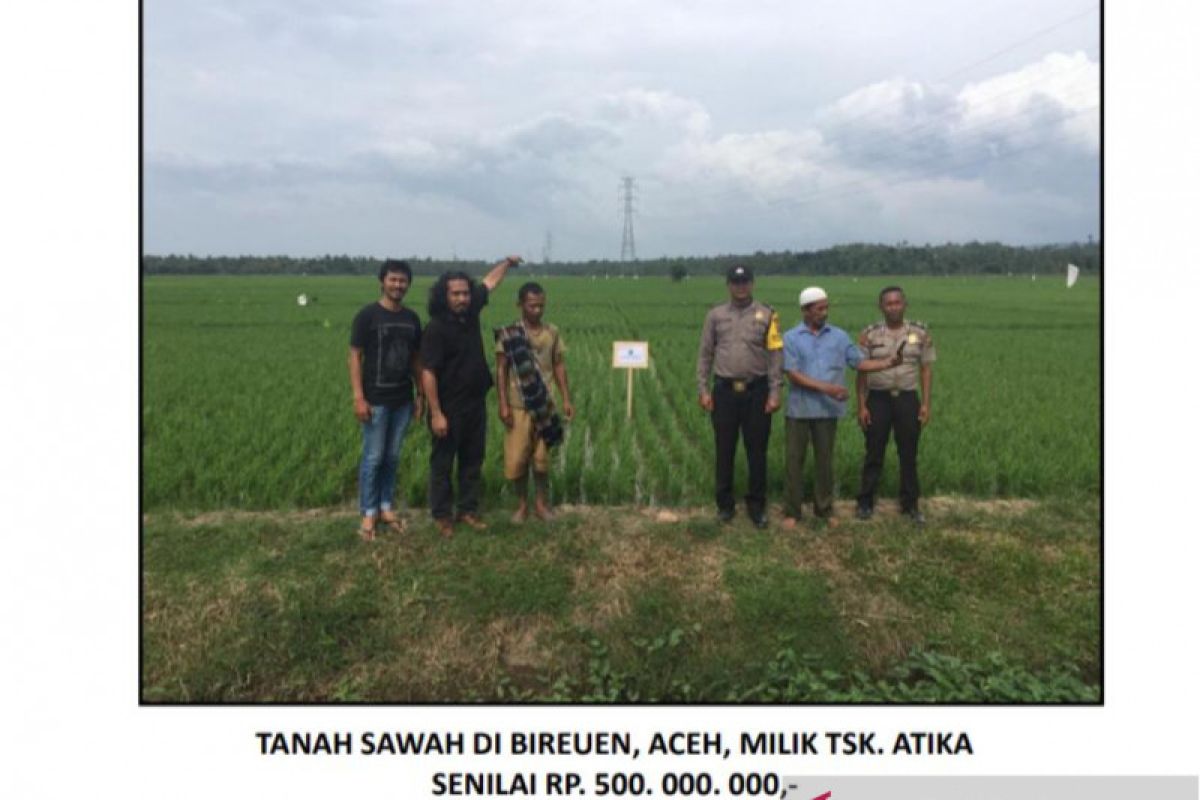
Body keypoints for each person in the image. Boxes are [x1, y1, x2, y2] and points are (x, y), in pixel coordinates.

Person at [781, 286, 900, 529]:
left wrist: (887, 362)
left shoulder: (839, 336)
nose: (824, 312)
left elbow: (858, 362)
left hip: (827, 412)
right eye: (819, 309)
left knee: (825, 462)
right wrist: (829, 389)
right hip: (799, 410)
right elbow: (792, 375)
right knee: (794, 461)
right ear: (805, 310)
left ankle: (823, 510)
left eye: (826, 307)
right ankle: (792, 512)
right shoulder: (791, 338)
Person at [420, 255, 522, 537]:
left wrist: (507, 263)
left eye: (465, 293)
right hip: (448, 407)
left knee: (472, 459)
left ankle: (467, 510)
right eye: (456, 294)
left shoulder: (472, 311)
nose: (463, 298)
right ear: (444, 295)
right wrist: (437, 413)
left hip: (475, 402)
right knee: (442, 463)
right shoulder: (436, 328)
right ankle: (442, 515)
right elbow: (428, 372)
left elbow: (490, 282)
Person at [696, 265, 784, 528]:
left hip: (757, 393)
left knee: (757, 452)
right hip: (724, 393)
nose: (741, 286)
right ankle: (725, 505)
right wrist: (703, 389)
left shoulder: (768, 314)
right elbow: (705, 354)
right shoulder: (715, 315)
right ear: (728, 285)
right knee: (725, 451)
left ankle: (757, 506)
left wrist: (775, 391)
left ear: (752, 284)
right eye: (736, 282)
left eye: (745, 281)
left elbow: (776, 355)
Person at [348, 259, 424, 542]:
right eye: (393, 280)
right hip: (375, 400)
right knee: (374, 457)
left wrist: (420, 395)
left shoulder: (412, 319)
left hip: (403, 399)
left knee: (392, 457)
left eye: (403, 281)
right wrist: (358, 397)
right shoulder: (368, 316)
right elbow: (354, 356)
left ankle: (386, 506)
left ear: (408, 285)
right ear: (382, 282)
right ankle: (368, 512)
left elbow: (416, 359)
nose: (398, 285)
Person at [855, 286, 937, 525]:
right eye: (888, 303)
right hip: (878, 399)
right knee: (874, 452)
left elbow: (926, 370)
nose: (893, 307)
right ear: (881, 307)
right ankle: (865, 502)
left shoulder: (920, 333)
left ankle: (910, 504)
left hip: (907, 399)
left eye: (897, 302)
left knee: (908, 454)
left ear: (905, 304)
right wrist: (862, 405)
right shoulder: (869, 335)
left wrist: (926, 404)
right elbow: (861, 372)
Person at [495, 282, 575, 522]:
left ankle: (541, 504)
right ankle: (521, 505)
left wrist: (566, 398)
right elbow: (501, 370)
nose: (537, 311)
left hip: (545, 405)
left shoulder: (552, 332)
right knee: (518, 458)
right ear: (520, 305)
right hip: (518, 404)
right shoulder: (509, 334)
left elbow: (559, 365)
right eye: (532, 306)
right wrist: (503, 404)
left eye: (541, 306)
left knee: (541, 460)